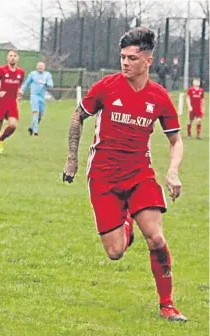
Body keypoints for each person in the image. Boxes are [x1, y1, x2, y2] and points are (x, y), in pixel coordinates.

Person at [62, 27, 186, 322]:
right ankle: (126, 222)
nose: (125, 63)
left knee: (155, 238)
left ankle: (167, 304)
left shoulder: (158, 96)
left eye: (132, 58)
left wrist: (172, 171)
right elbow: (78, 115)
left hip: (140, 173)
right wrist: (71, 160)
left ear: (148, 61)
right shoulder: (107, 87)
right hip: (103, 176)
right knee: (115, 252)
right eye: (122, 57)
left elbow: (175, 139)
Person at [0, 49, 25, 156]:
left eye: (14, 56)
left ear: (17, 58)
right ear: (7, 58)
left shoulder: (21, 72)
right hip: (1, 102)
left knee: (13, 125)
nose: (12, 57)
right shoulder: (1, 70)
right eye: (10, 55)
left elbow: (19, 86)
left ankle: (1, 139)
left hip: (12, 103)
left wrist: (19, 92)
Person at [20, 61, 54, 136]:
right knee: (36, 112)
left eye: (41, 66)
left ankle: (31, 128)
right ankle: (35, 132)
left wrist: (45, 83)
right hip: (34, 96)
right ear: (36, 67)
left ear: (44, 67)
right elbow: (26, 83)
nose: (40, 67)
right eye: (39, 66)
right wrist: (21, 91)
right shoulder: (33, 74)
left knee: (40, 116)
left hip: (42, 97)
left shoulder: (47, 75)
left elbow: (51, 84)